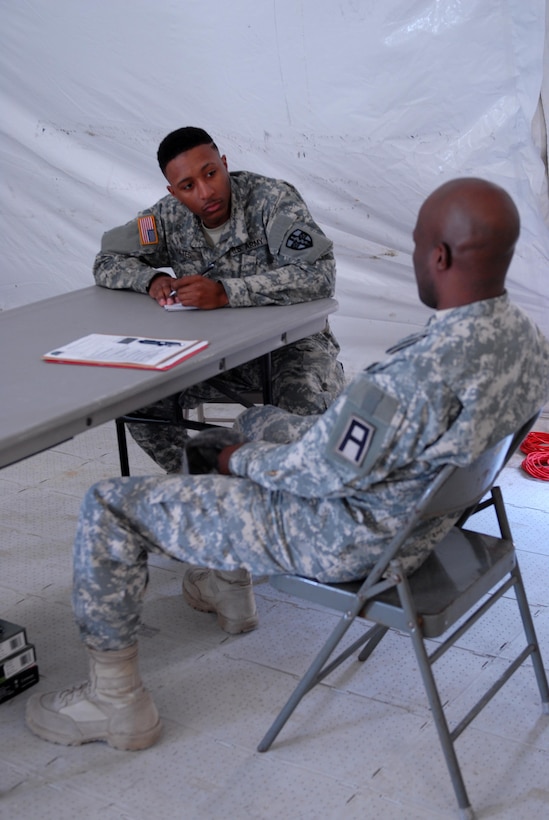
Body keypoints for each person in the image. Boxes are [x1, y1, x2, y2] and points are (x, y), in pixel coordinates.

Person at [25, 178, 549, 752]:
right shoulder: (525, 341)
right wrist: (256, 428)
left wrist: (236, 456)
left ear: (439, 256)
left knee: (111, 504)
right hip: (420, 520)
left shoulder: (409, 379)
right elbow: (365, 444)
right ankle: (228, 585)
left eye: (419, 244)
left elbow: (317, 473)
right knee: (254, 419)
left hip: (342, 534)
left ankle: (117, 703)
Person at [93, 126, 345, 475]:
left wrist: (226, 292)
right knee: (138, 400)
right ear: (173, 191)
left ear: (224, 163)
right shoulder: (167, 217)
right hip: (210, 355)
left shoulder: (272, 201)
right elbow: (106, 260)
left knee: (302, 407)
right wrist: (151, 279)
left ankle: (292, 492)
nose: (205, 191)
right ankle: (210, 483)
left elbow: (319, 276)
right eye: (188, 186)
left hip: (291, 347)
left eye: (211, 173)